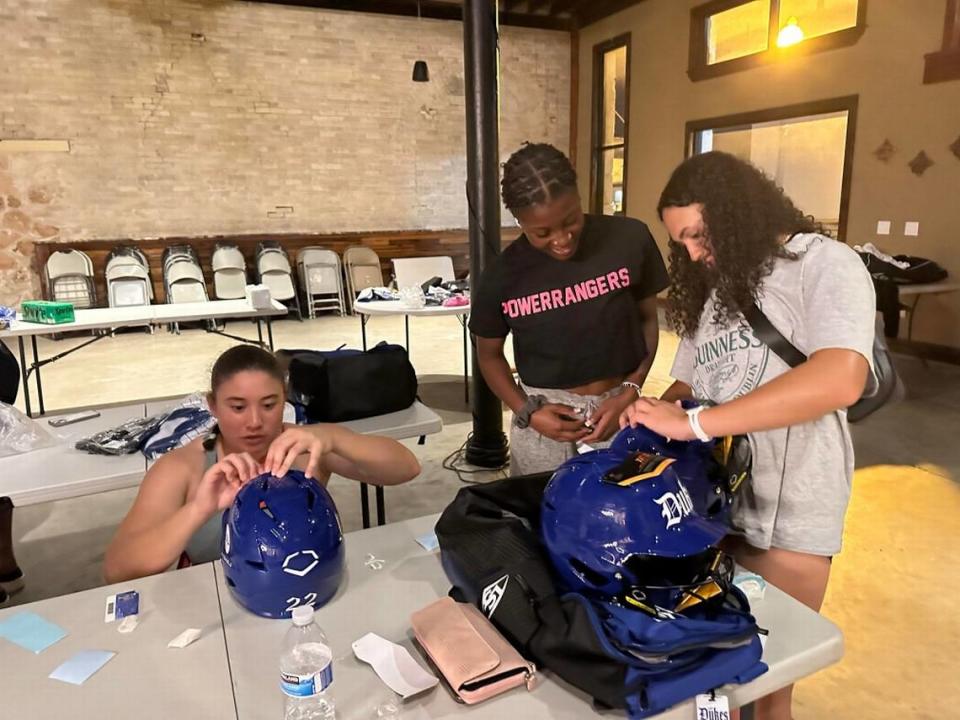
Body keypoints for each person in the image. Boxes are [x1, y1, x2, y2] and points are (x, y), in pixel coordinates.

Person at [619, 151, 876, 720]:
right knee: (720, 672)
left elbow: (841, 377)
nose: (691, 253)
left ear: (738, 214)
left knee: (770, 680)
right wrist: (648, 413)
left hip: (793, 501)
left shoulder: (823, 263)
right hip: (718, 499)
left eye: (698, 235)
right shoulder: (718, 288)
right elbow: (691, 380)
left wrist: (691, 423)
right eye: (680, 242)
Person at [103, 344, 420, 583]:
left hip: (303, 587)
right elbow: (118, 569)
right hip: (218, 599)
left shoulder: (305, 447)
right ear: (212, 405)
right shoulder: (183, 467)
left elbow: (406, 468)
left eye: (269, 405)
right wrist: (198, 509)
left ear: (285, 399)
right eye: (237, 407)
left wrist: (335, 437)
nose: (254, 422)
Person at [469, 142, 669, 475]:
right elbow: (489, 356)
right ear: (519, 221)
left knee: (619, 514)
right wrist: (527, 411)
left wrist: (631, 390)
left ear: (579, 196)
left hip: (620, 408)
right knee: (541, 512)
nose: (562, 240)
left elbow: (648, 320)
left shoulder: (629, 239)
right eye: (541, 233)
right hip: (543, 415)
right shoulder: (503, 275)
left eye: (571, 220)